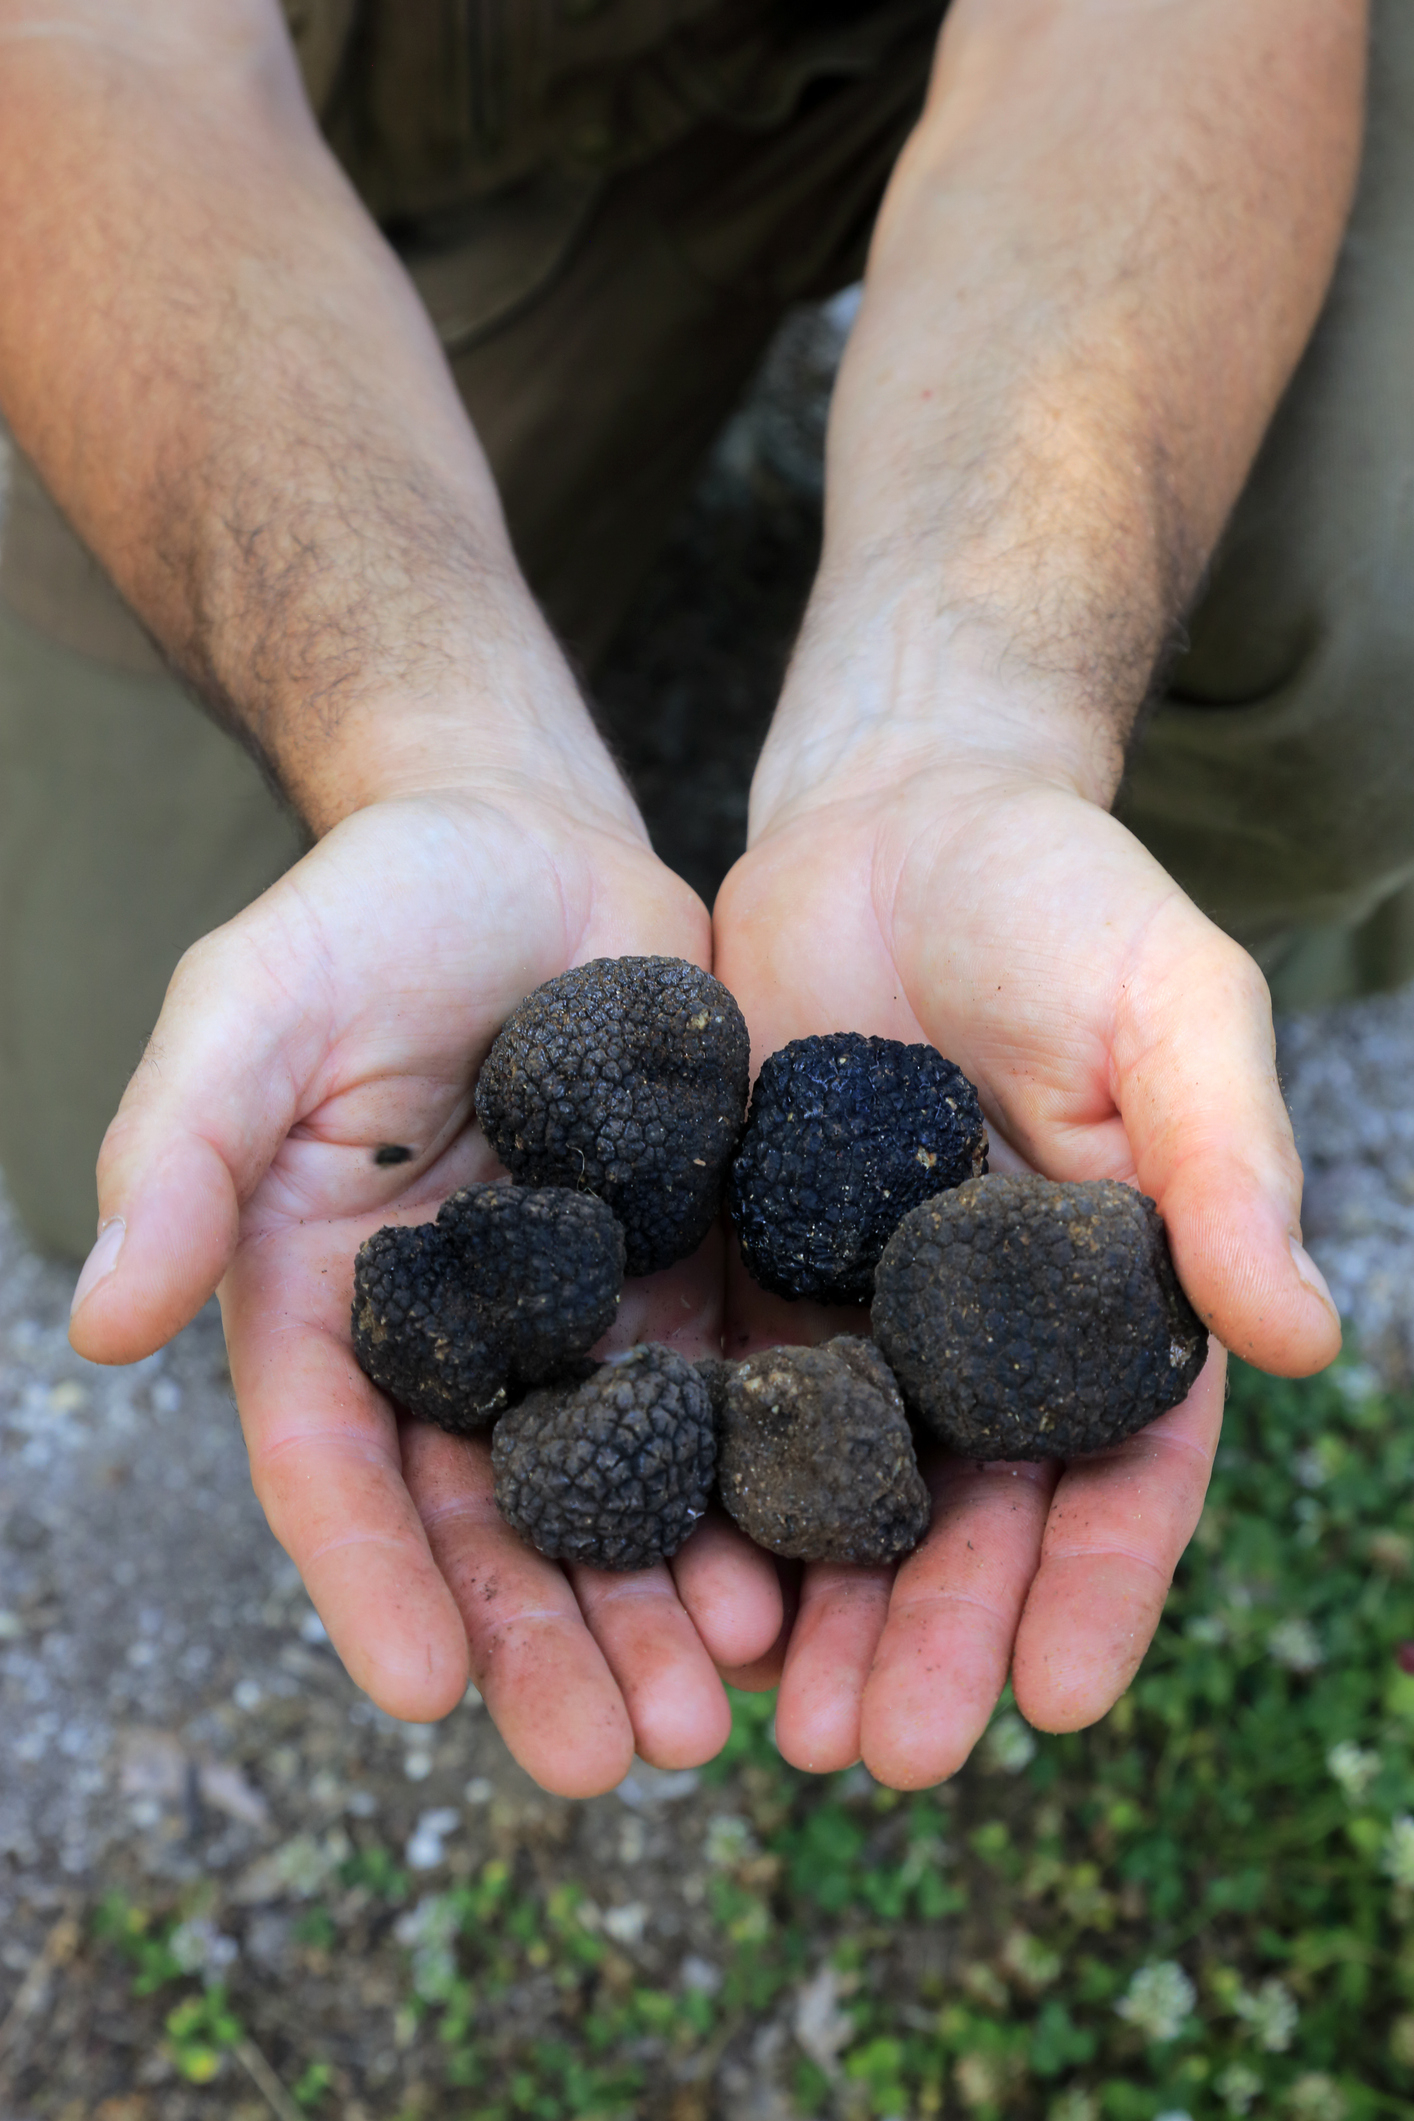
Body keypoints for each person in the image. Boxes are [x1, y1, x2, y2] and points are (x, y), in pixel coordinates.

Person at [0, 0, 1393, 1798]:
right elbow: (92, 54)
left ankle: (1159, 935)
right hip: (383, 117)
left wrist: (969, 722)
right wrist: (427, 747)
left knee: (1369, 630)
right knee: (86, 1087)